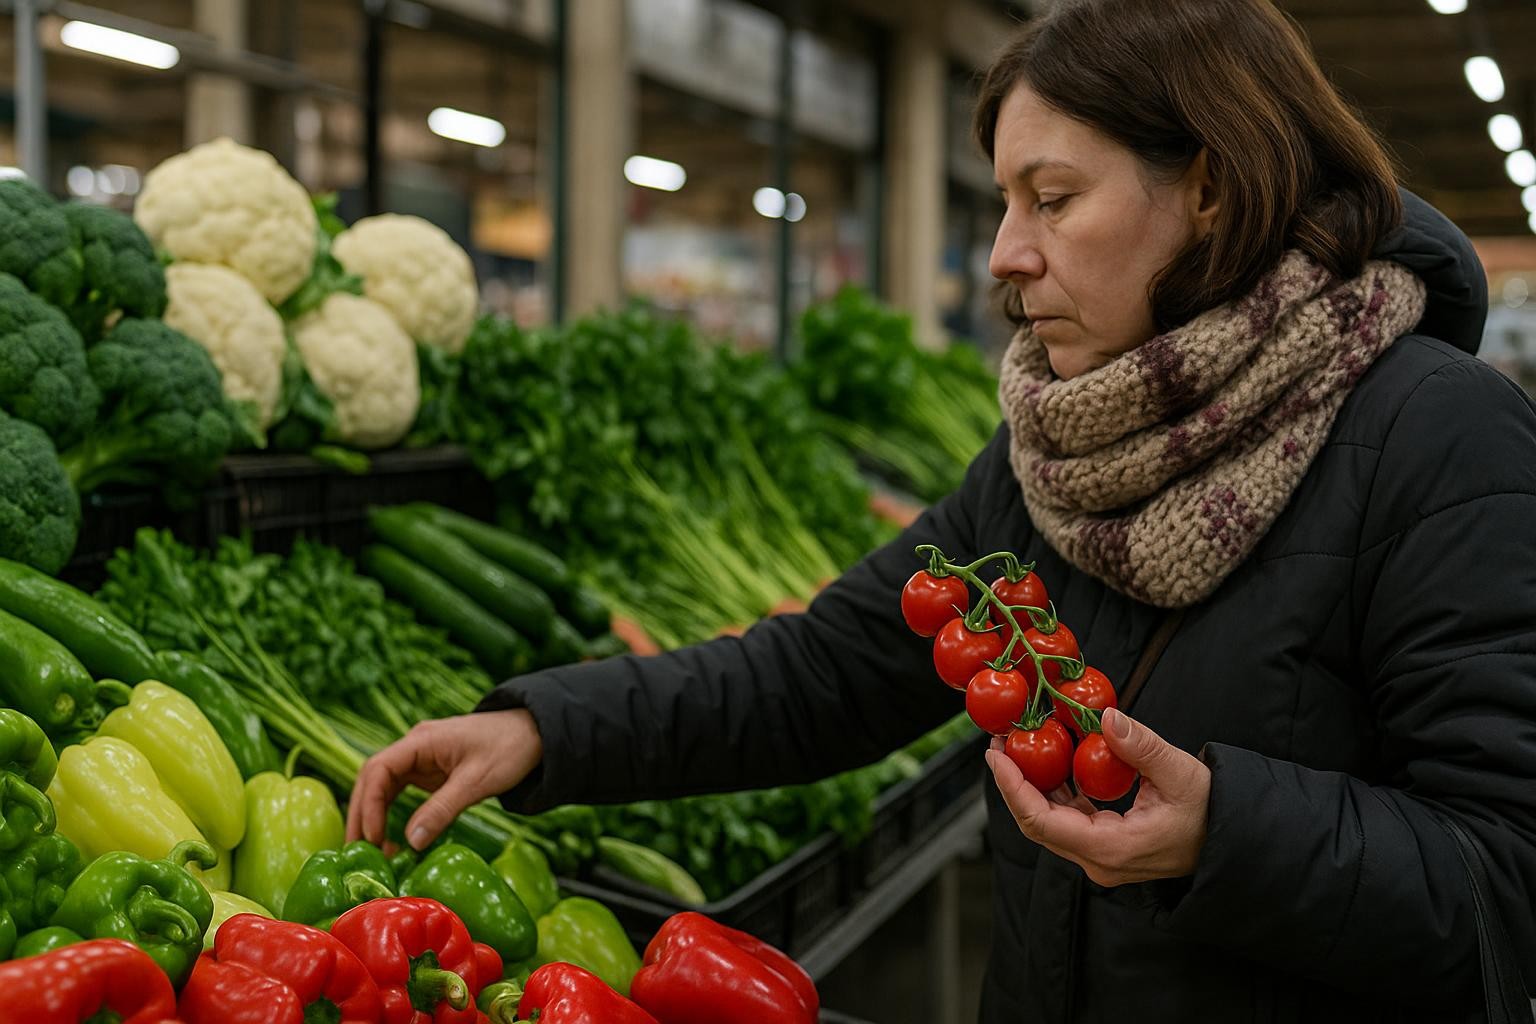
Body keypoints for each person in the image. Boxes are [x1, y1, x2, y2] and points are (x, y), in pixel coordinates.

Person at [348, 0, 1536, 1019]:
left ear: (1214, 189)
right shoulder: (1057, 450)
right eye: (1005, 202)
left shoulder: (1439, 439)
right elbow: (827, 670)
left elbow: (1507, 881)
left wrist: (1227, 830)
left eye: (1054, 199)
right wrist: (548, 731)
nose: (1006, 254)